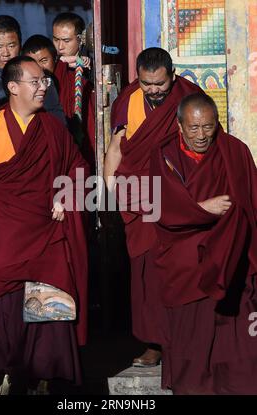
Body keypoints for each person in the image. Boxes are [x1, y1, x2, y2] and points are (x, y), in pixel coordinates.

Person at [0, 56, 88, 394]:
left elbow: (77, 168)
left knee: (47, 300)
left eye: (44, 81)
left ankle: (42, 376)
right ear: (13, 87)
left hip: (44, 234)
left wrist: (64, 194)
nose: (42, 87)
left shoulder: (53, 128)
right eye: (35, 81)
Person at [149, 93, 257, 394]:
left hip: (231, 258)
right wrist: (202, 208)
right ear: (180, 125)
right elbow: (161, 206)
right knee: (191, 342)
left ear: (217, 123)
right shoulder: (164, 154)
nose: (201, 136)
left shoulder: (235, 151)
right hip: (185, 261)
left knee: (238, 343)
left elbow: (252, 201)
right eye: (194, 128)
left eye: (208, 127)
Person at [104, 47, 203, 367]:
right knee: (146, 274)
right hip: (141, 197)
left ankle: (186, 342)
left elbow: (207, 143)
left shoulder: (189, 96)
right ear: (139, 77)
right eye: (147, 83)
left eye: (159, 84)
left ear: (172, 76)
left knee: (182, 270)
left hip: (180, 197)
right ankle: (154, 343)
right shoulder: (129, 100)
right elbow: (117, 146)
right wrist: (109, 188)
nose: (154, 90)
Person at [52, 12, 95, 171]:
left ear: (81, 39)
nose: (60, 47)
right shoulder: (53, 66)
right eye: (56, 40)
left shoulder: (90, 67)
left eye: (66, 41)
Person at [21, 34, 66, 125]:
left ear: (55, 58)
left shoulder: (73, 81)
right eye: (32, 63)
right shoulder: (21, 87)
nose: (39, 68)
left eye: (44, 60)